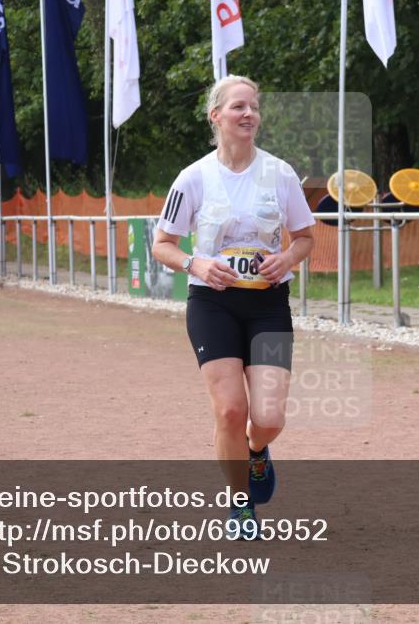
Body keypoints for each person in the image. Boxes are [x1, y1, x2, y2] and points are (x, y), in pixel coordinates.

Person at [152, 76, 315, 537]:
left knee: (267, 418)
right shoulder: (193, 178)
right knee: (229, 410)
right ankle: (240, 504)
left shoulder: (280, 174)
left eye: (254, 108)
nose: (249, 114)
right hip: (213, 304)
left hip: (268, 305)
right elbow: (162, 244)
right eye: (239, 106)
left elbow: (304, 238)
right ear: (216, 115)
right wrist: (196, 264)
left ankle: (257, 451)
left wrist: (286, 257)